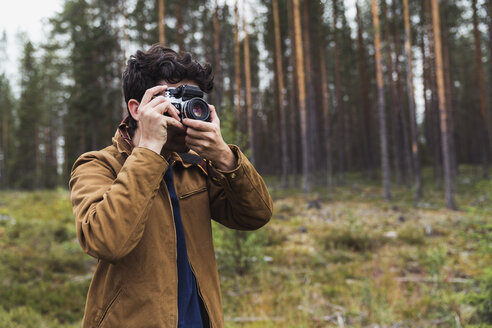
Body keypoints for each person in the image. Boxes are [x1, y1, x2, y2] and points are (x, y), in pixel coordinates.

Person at [69, 45, 273, 328]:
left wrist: (225, 157)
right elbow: (106, 241)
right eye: (173, 100)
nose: (185, 114)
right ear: (137, 109)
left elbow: (256, 215)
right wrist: (150, 151)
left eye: (193, 102)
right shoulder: (97, 165)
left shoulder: (193, 165)